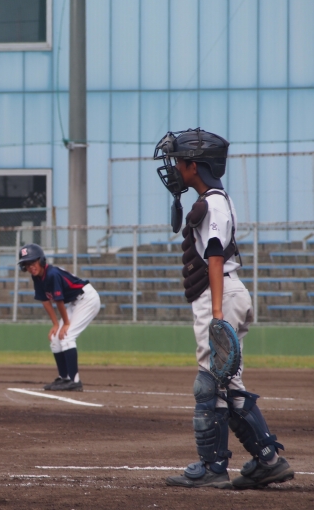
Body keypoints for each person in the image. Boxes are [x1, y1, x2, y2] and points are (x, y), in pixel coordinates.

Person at [154, 128, 294, 490]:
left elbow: (215, 255)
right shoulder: (212, 199)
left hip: (220, 295)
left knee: (209, 385)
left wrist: (216, 314)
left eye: (180, 162)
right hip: (224, 294)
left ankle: (212, 467)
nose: (175, 168)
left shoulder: (213, 203)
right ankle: (268, 461)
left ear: (195, 166)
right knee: (227, 384)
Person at [18, 243, 101, 391]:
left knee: (67, 336)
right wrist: (56, 324)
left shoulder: (52, 274)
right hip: (76, 302)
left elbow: (59, 301)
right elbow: (45, 300)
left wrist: (66, 324)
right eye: (27, 264)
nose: (30, 267)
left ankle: (75, 381)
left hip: (87, 299)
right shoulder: (37, 277)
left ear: (41, 260)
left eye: (33, 262)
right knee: (56, 338)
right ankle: (64, 378)